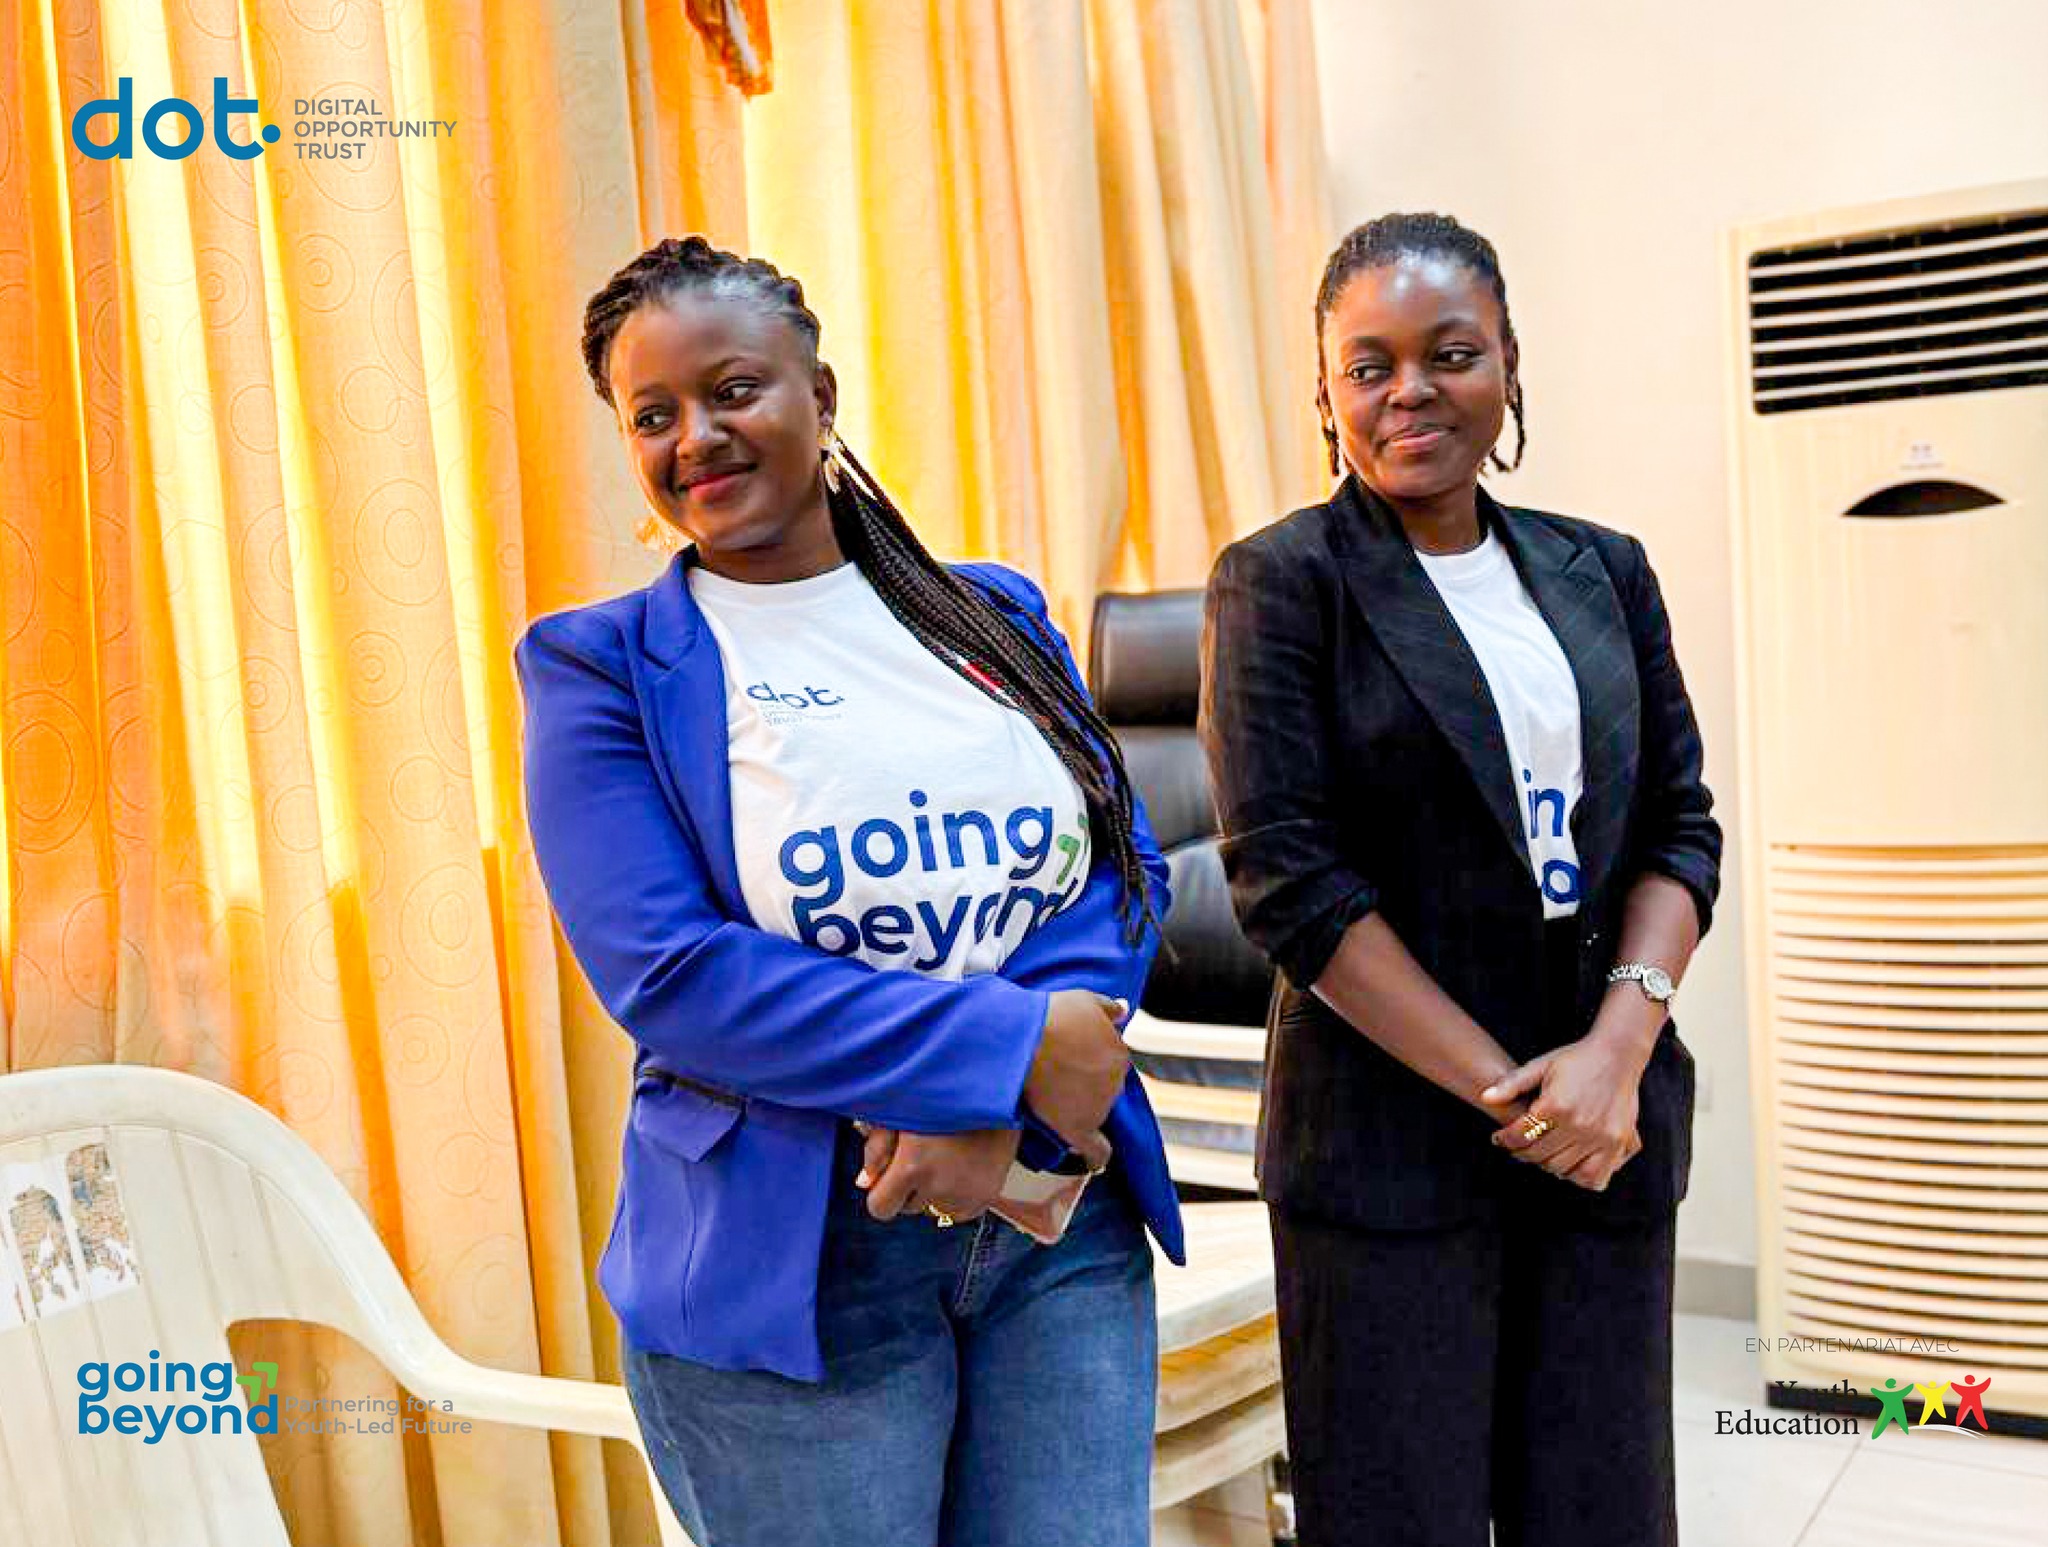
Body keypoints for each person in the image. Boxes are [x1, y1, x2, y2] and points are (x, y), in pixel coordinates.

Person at [518, 236, 1183, 1547]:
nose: (695, 438)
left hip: (1058, 1219)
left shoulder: (991, 613)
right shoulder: (599, 667)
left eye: (733, 390)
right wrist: (1003, 1058)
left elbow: (1120, 858)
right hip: (799, 1255)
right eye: (652, 416)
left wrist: (1013, 1107)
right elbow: (673, 975)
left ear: (820, 394)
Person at [1199, 212, 1722, 1547]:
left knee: (1601, 1514)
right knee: (1402, 1521)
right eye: (1369, 366)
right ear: (1327, 394)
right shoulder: (1280, 585)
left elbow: (1680, 828)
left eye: (1450, 353)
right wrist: (1520, 1100)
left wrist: (1614, 1055)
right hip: (1388, 1150)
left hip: (1605, 1135)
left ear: (1508, 365)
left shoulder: (1604, 570)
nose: (1410, 391)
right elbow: (1291, 886)